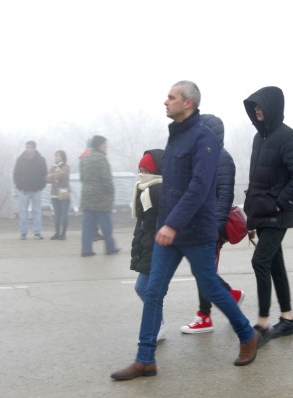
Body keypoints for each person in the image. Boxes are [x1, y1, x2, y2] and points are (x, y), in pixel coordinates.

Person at [111, 81, 260, 381]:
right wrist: (161, 222)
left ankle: (247, 335)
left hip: (196, 231)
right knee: (153, 291)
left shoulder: (204, 139)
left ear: (188, 102)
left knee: (212, 289)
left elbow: (198, 188)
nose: (165, 102)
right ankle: (145, 359)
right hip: (171, 230)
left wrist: (171, 224)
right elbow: (172, 186)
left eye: (171, 97)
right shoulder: (176, 136)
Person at [243, 86, 293, 341]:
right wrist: (250, 214)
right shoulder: (258, 137)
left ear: (273, 107)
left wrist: (280, 202)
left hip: (276, 213)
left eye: (260, 105)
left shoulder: (285, 136)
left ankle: (262, 323)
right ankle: (288, 319)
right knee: (275, 265)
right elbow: (256, 180)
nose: (257, 110)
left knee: (260, 261)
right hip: (261, 211)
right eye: (254, 107)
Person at [180, 114, 245, 334]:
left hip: (210, 226)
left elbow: (224, 195)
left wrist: (215, 228)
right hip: (198, 223)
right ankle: (231, 295)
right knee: (203, 270)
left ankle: (204, 317)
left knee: (203, 271)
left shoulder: (222, 159)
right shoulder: (204, 156)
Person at [130, 149, 167, 341]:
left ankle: (157, 324)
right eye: (140, 169)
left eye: (145, 170)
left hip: (156, 248)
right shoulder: (145, 189)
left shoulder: (157, 190)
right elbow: (142, 225)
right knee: (147, 289)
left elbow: (157, 224)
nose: (141, 174)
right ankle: (157, 323)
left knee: (145, 288)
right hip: (148, 248)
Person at [79, 135, 119, 257]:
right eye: (105, 144)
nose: (106, 146)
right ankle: (110, 247)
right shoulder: (101, 159)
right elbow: (106, 179)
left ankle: (86, 249)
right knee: (106, 224)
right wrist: (111, 191)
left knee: (87, 226)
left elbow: (82, 177)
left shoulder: (85, 158)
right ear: (100, 145)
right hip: (101, 197)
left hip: (87, 195)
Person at [13, 140, 47, 240]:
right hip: (23, 190)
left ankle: (37, 232)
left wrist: (41, 186)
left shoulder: (41, 160)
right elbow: (16, 174)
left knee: (37, 211)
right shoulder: (20, 159)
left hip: (36, 190)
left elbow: (44, 174)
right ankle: (23, 232)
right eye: (26, 147)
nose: (27, 149)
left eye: (29, 147)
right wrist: (19, 186)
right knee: (23, 211)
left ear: (34, 148)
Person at [45, 150, 71, 240]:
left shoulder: (66, 166)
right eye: (55, 156)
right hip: (54, 194)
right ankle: (57, 233)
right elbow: (46, 178)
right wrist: (54, 177)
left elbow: (63, 176)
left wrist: (52, 176)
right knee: (57, 215)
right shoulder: (53, 167)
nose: (56, 157)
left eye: (58, 156)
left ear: (63, 157)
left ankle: (63, 234)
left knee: (64, 214)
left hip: (64, 193)